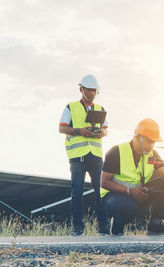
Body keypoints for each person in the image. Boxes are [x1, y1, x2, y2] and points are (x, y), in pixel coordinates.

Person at [100, 118, 164, 235]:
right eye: (149, 142)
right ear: (137, 137)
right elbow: (104, 182)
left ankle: (155, 224)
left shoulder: (152, 154)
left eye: (154, 143)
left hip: (136, 193)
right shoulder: (116, 152)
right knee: (128, 206)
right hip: (113, 197)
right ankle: (116, 228)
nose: (152, 146)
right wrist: (130, 191)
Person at [59, 74, 109, 236]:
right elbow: (62, 128)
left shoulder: (100, 109)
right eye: (88, 90)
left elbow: (106, 129)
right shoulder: (71, 107)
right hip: (78, 156)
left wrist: (100, 133)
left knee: (99, 191)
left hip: (95, 154)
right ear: (81, 89)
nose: (91, 93)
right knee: (77, 192)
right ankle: (77, 228)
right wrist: (78, 131)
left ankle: (103, 227)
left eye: (94, 90)